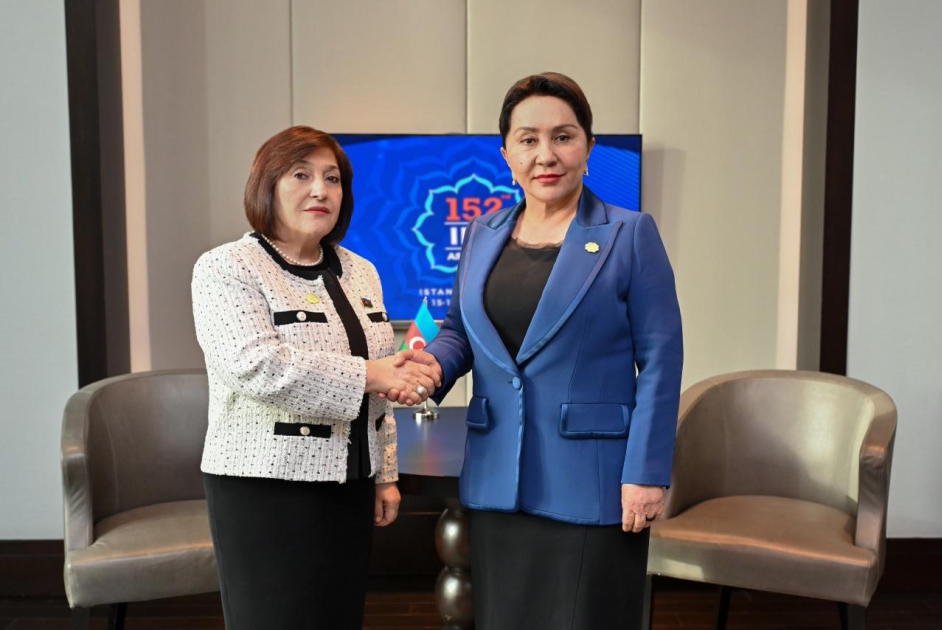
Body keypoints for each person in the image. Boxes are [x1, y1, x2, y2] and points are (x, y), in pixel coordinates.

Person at [412, 72, 684, 629]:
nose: (546, 155)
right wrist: (430, 367)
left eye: (563, 136)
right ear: (506, 153)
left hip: (594, 482)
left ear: (588, 145)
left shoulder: (630, 233)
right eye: (528, 139)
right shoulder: (482, 233)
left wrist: (647, 472)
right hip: (497, 481)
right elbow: (459, 331)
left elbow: (661, 360)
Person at [191, 126, 441, 629]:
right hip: (266, 488)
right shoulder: (227, 267)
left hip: (351, 484)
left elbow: (380, 383)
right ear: (267, 186)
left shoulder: (361, 271)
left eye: (332, 178)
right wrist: (372, 374)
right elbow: (257, 365)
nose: (320, 190)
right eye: (301, 175)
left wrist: (385, 473)